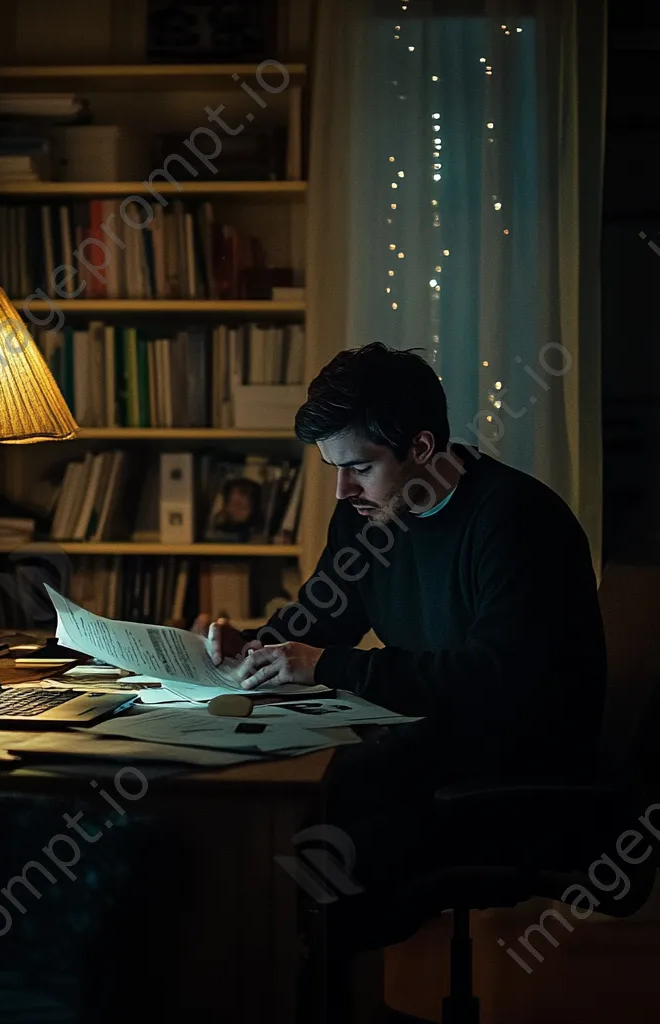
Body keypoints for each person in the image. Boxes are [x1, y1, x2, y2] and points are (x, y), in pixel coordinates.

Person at [194, 343, 607, 1015]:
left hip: (513, 775)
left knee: (305, 854)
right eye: (333, 469)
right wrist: (256, 645)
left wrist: (328, 666)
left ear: (421, 445)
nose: (342, 490)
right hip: (432, 746)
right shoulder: (365, 514)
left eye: (357, 467)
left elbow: (501, 678)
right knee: (283, 829)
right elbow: (325, 614)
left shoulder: (517, 521)